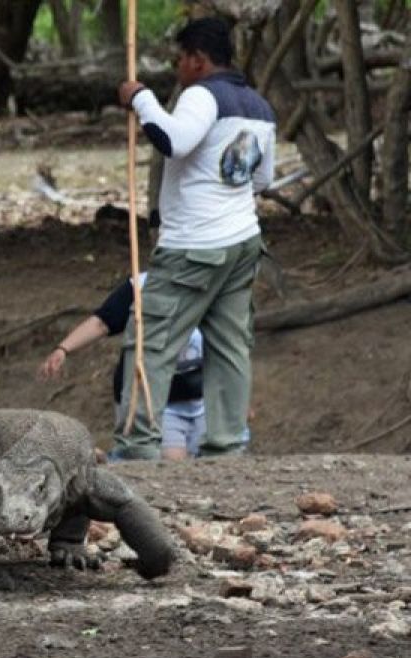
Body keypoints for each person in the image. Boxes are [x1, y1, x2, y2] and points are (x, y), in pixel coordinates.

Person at [112, 16, 274, 459]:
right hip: (243, 239)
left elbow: (174, 140)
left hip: (194, 245)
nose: (178, 67)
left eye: (180, 58)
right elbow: (262, 176)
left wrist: (140, 99)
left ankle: (138, 445)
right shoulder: (258, 105)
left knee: (153, 339)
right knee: (229, 344)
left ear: (198, 60)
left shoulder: (201, 95)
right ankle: (226, 444)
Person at [38, 273, 206, 460]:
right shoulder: (140, 286)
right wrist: (63, 349)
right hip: (154, 399)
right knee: (171, 461)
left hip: (204, 396)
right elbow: (102, 323)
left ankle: (112, 459)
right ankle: (108, 461)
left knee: (214, 461)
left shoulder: (218, 279)